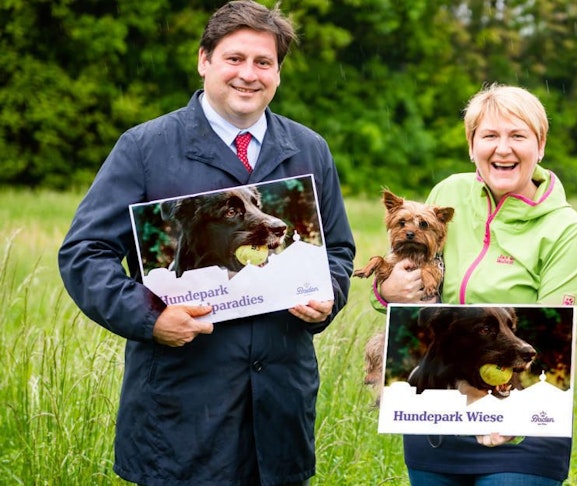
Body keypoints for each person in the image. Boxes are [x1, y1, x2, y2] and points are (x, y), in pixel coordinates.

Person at [57, 1, 355, 484]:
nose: (248, 75)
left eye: (264, 62)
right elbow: (84, 253)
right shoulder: (144, 148)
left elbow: (338, 250)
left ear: (278, 72)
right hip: (181, 410)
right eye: (234, 59)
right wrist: (150, 316)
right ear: (204, 60)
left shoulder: (309, 150)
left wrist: (329, 295)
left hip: (280, 408)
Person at [374, 83, 577, 485]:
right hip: (438, 418)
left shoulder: (565, 229)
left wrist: (509, 415)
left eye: (518, 136)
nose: (503, 148)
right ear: (472, 145)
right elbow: (414, 274)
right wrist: (387, 292)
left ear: (541, 145)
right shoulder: (447, 194)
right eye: (489, 136)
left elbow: (557, 339)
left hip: (519, 429)